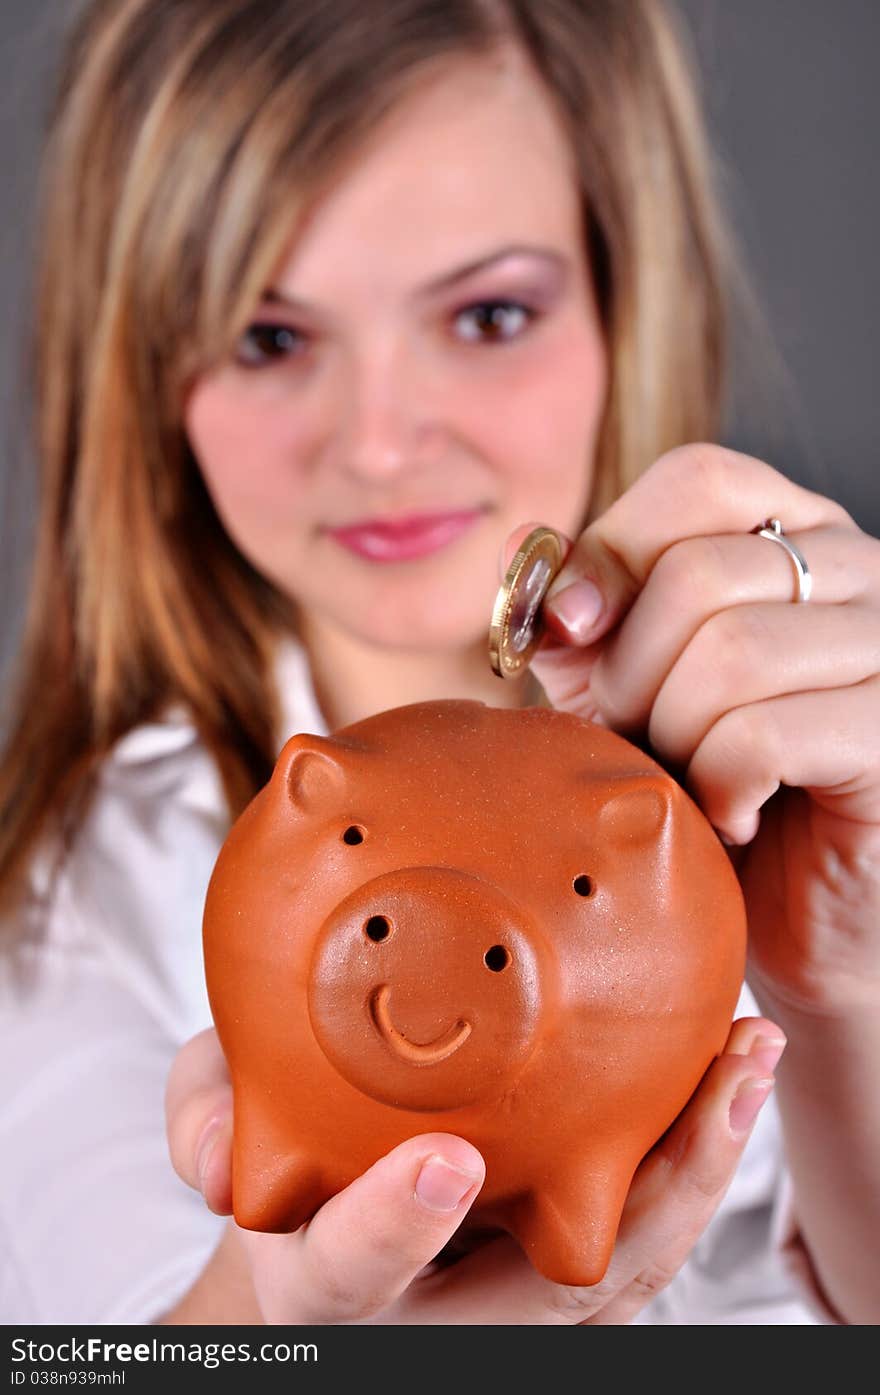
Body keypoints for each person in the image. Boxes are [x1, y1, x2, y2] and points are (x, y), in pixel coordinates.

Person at [1, 0, 878, 1327]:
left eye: (483, 317)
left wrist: (851, 989)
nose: (382, 442)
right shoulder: (78, 894)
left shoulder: (840, 772)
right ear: (148, 375)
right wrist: (276, 1321)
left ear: (616, 294)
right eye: (271, 337)